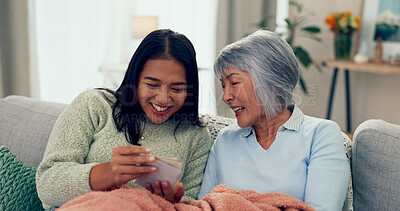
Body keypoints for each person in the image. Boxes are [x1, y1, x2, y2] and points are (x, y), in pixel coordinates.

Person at [36, 29, 211, 209]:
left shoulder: (195, 135)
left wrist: (168, 203)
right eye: (152, 84)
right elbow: (47, 183)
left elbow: (191, 203)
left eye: (177, 89)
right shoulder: (94, 105)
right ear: (134, 78)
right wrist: (108, 173)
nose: (163, 99)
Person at [198, 30, 350, 211]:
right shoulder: (225, 139)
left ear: (272, 82)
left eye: (234, 83)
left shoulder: (320, 135)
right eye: (223, 85)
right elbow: (204, 206)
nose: (226, 96)